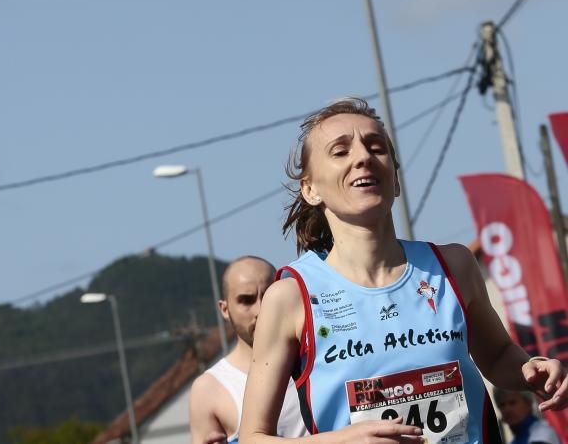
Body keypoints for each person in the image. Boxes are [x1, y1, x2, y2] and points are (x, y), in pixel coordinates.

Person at [231, 97, 568, 444]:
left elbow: (497, 357)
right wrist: (340, 442)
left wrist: (533, 370)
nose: (363, 157)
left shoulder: (453, 266)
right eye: (340, 151)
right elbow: (253, 437)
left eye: (376, 148)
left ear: (395, 180)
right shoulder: (291, 297)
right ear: (310, 188)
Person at [189, 256, 309, 444]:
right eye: (246, 300)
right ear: (225, 309)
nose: (261, 309)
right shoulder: (209, 388)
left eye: (269, 295)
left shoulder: (317, 359)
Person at [496, 389, 562, 444]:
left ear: (528, 403)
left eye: (512, 403)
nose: (507, 409)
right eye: (502, 405)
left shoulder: (542, 435)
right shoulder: (514, 440)